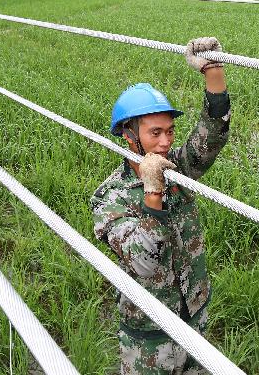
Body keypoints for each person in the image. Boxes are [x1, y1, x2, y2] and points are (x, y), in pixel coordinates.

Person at [91, 38, 231, 375]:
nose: (166, 142)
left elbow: (213, 132)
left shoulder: (178, 168)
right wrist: (152, 191)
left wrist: (213, 70)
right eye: (155, 133)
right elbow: (142, 260)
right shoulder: (111, 198)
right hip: (150, 336)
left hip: (194, 313)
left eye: (169, 131)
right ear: (129, 136)